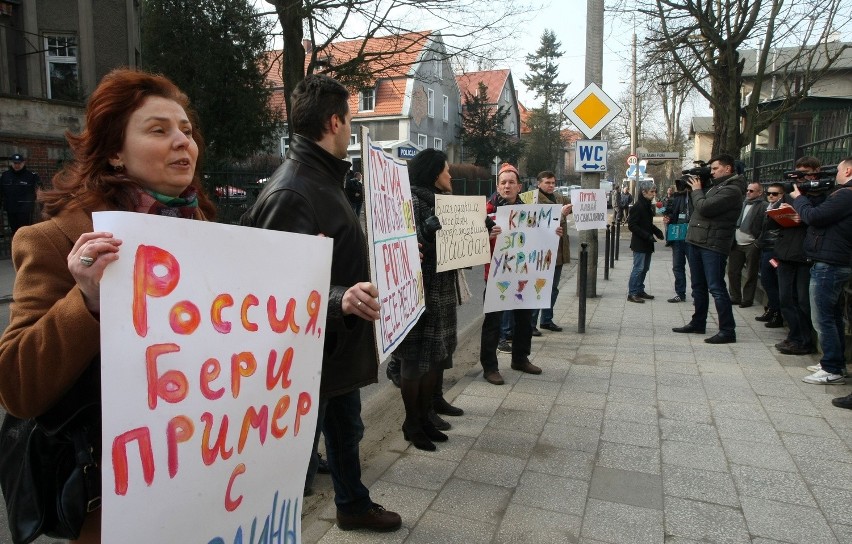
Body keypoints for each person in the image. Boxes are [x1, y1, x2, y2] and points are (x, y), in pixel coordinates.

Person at [0, 68, 215, 544]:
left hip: (203, 473)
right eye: (159, 130)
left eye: (186, 130)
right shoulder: (54, 240)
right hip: (115, 493)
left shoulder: (202, 226)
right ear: (115, 152)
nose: (183, 142)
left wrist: (320, 294)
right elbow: (18, 387)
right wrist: (88, 301)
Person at [239, 74, 401, 532]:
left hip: (333, 348)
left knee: (347, 431)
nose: (351, 129)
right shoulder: (293, 190)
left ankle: (351, 504)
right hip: (305, 359)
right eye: (350, 120)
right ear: (334, 122)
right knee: (293, 463)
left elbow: (332, 254)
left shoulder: (323, 179)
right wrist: (339, 300)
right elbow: (271, 286)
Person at [393, 148, 464, 450]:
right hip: (418, 295)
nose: (450, 175)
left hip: (442, 290)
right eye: (447, 170)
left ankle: (424, 418)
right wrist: (423, 231)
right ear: (435, 174)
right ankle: (412, 424)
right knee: (414, 364)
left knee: (434, 360)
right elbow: (398, 250)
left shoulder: (445, 204)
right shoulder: (408, 201)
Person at [480, 163, 553, 385]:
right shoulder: (485, 211)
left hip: (523, 274)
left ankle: (520, 358)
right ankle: (490, 367)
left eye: (511, 182)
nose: (507, 186)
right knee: (493, 324)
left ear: (519, 186)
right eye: (503, 182)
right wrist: (487, 235)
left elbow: (541, 238)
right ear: (497, 186)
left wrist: (554, 232)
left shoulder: (530, 211)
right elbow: (472, 243)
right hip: (495, 275)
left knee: (524, 319)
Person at [672, 154, 745, 344]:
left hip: (713, 244)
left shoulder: (733, 189)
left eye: (715, 169)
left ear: (728, 169)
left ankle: (727, 330)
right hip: (698, 240)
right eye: (711, 169)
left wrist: (697, 190)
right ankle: (698, 322)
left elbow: (704, 207)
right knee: (698, 286)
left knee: (716, 287)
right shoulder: (716, 186)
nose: (711, 172)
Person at [791, 156, 852, 385]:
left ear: (848, 171)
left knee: (823, 318)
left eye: (838, 170)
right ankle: (833, 361)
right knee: (833, 315)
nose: (834, 174)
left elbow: (814, 216)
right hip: (832, 259)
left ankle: (832, 368)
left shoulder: (846, 194)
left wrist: (799, 199)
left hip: (830, 262)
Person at [773, 156, 822, 356]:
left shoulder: (821, 194)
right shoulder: (789, 194)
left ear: (815, 172)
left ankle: (804, 340)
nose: (801, 177)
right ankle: (794, 335)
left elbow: (816, 218)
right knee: (785, 298)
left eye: (805, 172)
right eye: (798, 172)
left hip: (805, 254)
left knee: (803, 300)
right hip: (785, 251)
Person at [530, 170, 572, 332]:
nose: (551, 185)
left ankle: (547, 319)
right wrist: (561, 215)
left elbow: (576, 203)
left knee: (553, 287)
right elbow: (537, 223)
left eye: (553, 183)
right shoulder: (532, 200)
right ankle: (531, 323)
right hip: (540, 251)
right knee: (539, 286)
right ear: (539, 183)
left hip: (558, 250)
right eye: (547, 182)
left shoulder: (560, 197)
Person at [727, 182, 767, 308]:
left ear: (759, 193)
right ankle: (735, 296)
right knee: (733, 271)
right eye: (747, 190)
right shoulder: (741, 204)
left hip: (751, 243)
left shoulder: (763, 206)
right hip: (736, 242)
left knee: (751, 273)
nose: (748, 192)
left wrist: (757, 243)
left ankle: (748, 299)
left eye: (752, 191)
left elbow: (765, 227)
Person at [626, 179, 664, 303]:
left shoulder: (647, 205)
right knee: (638, 268)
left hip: (647, 242)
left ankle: (639, 290)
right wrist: (647, 235)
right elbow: (632, 225)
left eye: (655, 191)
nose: (654, 194)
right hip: (640, 242)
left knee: (645, 268)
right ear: (644, 192)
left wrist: (657, 231)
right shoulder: (638, 206)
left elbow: (647, 224)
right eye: (652, 192)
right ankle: (632, 293)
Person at [754, 182, 785, 328]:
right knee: (766, 281)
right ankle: (772, 309)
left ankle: (777, 312)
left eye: (775, 194)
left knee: (770, 280)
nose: (771, 196)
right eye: (769, 193)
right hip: (765, 247)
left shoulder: (781, 208)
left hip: (774, 249)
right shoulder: (768, 207)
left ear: (782, 195)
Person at [663, 178, 690, 303]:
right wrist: (668, 217)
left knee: (695, 268)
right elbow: (670, 212)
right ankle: (680, 293)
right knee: (678, 266)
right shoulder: (676, 199)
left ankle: (698, 294)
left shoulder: (697, 197)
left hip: (692, 236)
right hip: (678, 235)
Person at [0, 153, 41, 236]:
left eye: (19, 163)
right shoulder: (5, 176)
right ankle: (17, 248)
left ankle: (26, 248)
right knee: (14, 232)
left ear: (23, 163)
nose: (17, 165)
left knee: (26, 232)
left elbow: (40, 190)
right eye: (15, 163)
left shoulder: (31, 176)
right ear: (11, 163)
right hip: (11, 209)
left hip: (25, 210)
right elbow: (1, 192)